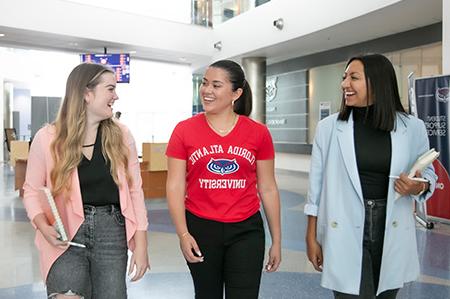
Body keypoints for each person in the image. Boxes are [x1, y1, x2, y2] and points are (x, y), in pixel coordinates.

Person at [305, 53, 437, 298]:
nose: (345, 84)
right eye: (344, 77)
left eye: (353, 78)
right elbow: (316, 187)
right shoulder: (328, 129)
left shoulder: (412, 127)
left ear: (378, 83)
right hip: (343, 223)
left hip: (391, 223)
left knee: (385, 293)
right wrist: (311, 236)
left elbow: (428, 175)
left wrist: (416, 187)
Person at [23, 63, 150, 299]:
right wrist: (42, 225)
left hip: (111, 233)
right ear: (86, 93)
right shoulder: (47, 138)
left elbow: (135, 192)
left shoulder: (122, 136)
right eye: (110, 89)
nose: (116, 96)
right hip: (64, 236)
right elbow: (30, 191)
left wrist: (141, 246)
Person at [166, 59, 281, 299]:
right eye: (205, 83)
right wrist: (183, 234)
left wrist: (277, 240)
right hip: (200, 228)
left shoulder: (258, 133)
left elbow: (268, 187)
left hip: (246, 230)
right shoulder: (183, 130)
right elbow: (175, 186)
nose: (207, 90)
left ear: (236, 93)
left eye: (216, 85)